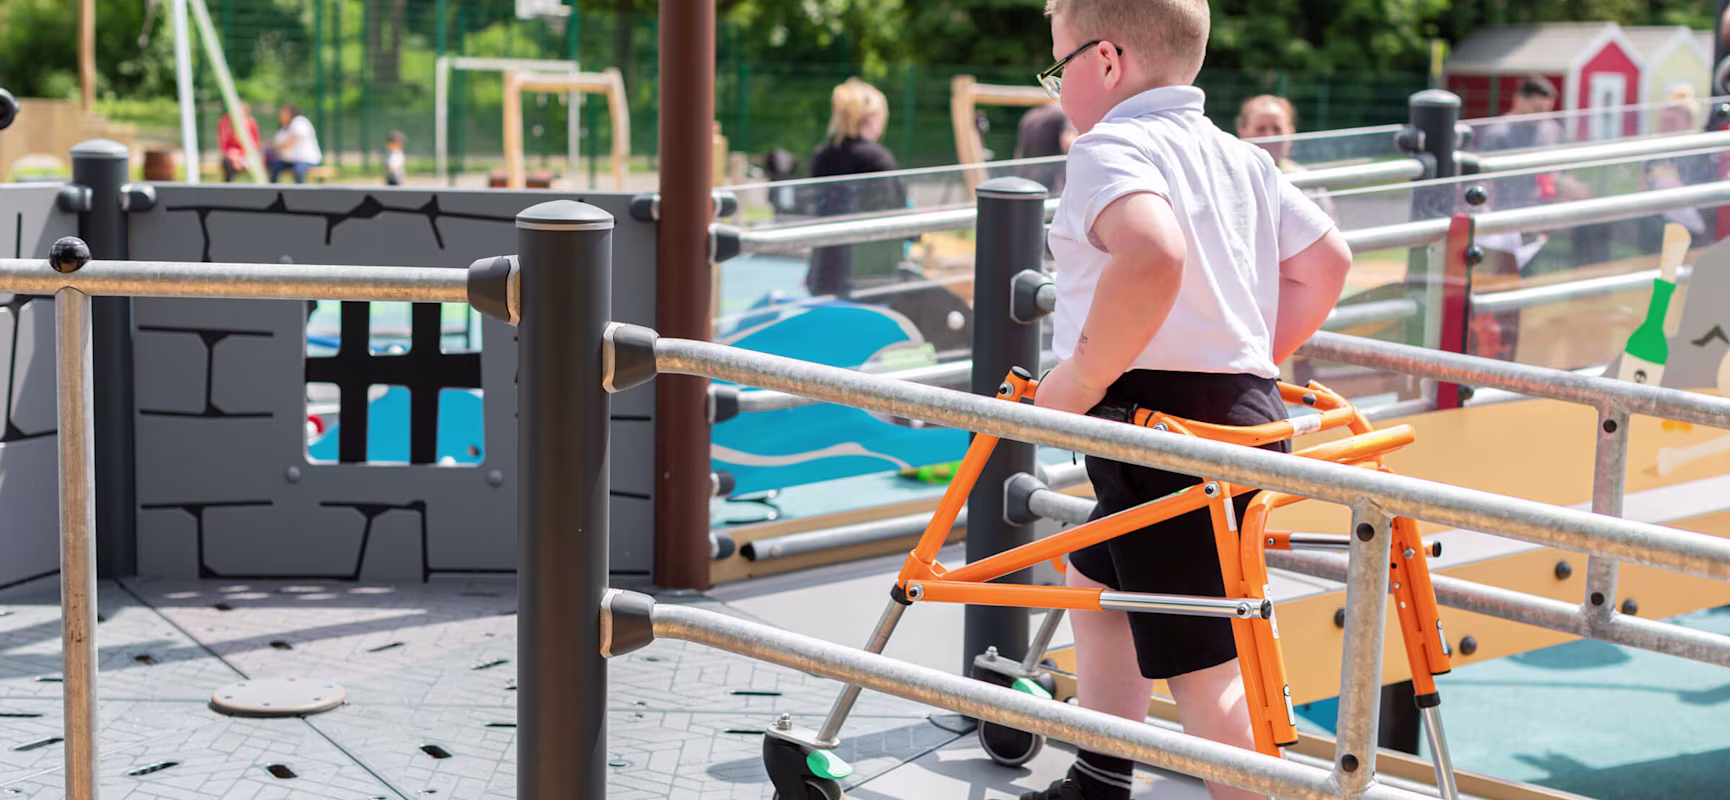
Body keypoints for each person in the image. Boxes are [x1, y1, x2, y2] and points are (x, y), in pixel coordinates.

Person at [1025, 2, 1351, 799]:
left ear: (1106, 61)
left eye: (1058, 66)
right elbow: (1327, 263)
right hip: (1239, 411)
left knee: (1209, 671)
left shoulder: (1109, 148)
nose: (1057, 86)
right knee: (1097, 581)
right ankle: (1100, 772)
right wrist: (1246, 357)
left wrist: (1080, 381)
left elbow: (1152, 250)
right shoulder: (1240, 157)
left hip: (1157, 432)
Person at [807, 78, 906, 298]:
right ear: (871, 117)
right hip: (869, 277)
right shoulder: (877, 159)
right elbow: (895, 213)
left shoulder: (822, 156)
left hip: (825, 271)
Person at [1235, 94, 1335, 219]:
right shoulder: (1232, 181)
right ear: (1242, 132)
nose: (1270, 137)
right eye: (1260, 129)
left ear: (1291, 132)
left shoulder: (1308, 182)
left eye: (1277, 129)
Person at [1015, 102, 1078, 193]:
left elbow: (1019, 155)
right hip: (1053, 187)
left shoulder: (1030, 116)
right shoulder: (1064, 113)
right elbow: (1069, 144)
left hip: (1029, 185)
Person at [268, 103, 323, 184]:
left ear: (290, 113)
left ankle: (300, 191)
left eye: (283, 113)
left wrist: (275, 146)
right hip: (293, 161)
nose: (280, 116)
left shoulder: (299, 121)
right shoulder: (284, 127)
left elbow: (290, 143)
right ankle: (274, 190)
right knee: (275, 167)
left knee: (298, 170)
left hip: (309, 160)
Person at [217, 101, 261, 183]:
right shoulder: (226, 122)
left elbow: (255, 144)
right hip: (231, 156)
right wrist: (233, 156)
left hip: (246, 156)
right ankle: (228, 186)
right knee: (227, 164)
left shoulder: (251, 124)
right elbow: (224, 145)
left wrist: (241, 156)